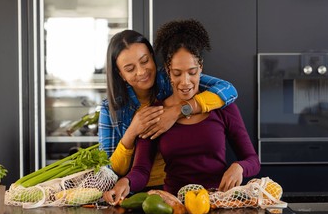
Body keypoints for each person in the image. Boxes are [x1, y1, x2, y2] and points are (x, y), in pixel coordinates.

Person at [103, 19, 260, 203]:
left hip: (217, 203)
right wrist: (126, 182)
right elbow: (141, 170)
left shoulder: (221, 105)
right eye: (177, 73)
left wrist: (239, 167)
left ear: (201, 67)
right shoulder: (154, 113)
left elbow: (252, 160)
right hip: (174, 204)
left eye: (192, 72)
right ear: (167, 71)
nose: (185, 82)